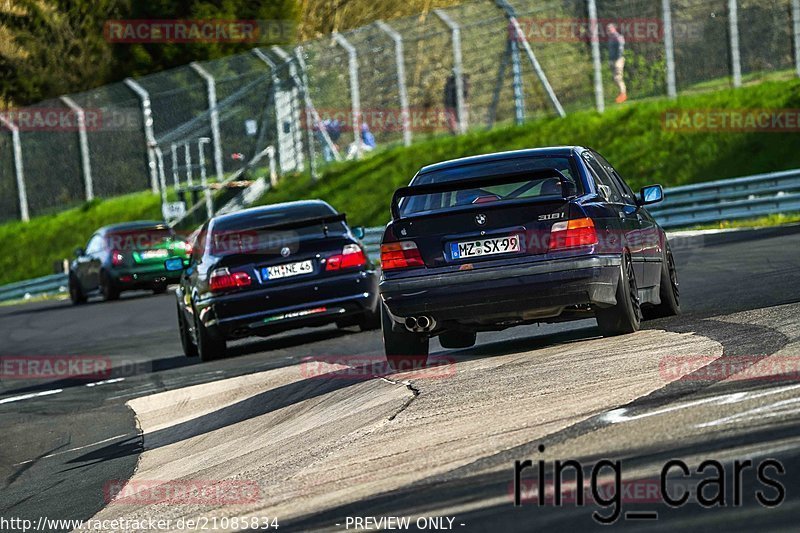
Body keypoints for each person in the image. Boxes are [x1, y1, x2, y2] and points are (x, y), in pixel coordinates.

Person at [607, 23, 627, 103]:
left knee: (618, 78)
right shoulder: (610, 39)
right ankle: (621, 94)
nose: (608, 31)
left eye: (609, 29)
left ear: (613, 29)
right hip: (613, 60)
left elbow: (620, 48)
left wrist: (617, 59)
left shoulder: (618, 37)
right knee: (616, 79)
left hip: (618, 59)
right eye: (607, 30)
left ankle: (623, 95)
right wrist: (610, 60)